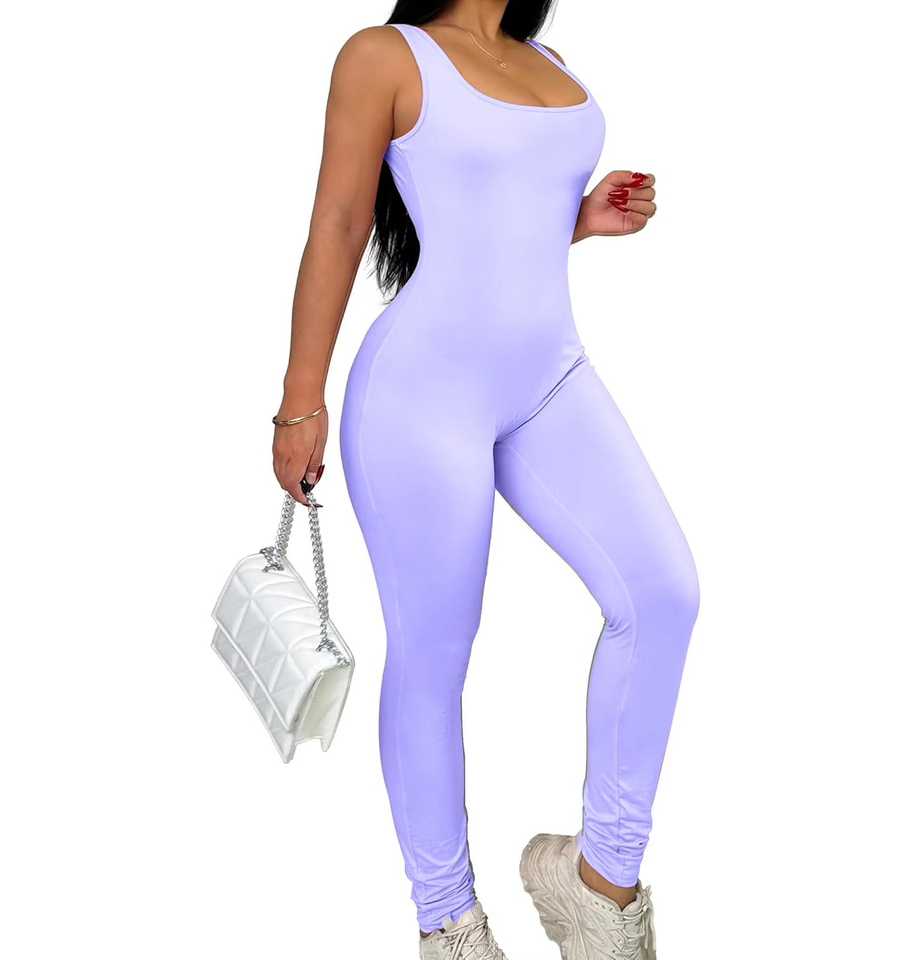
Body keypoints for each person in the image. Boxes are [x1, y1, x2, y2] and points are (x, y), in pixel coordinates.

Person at [271, 2, 699, 957]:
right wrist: (301, 400)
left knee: (663, 593)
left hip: (548, 378)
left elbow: (499, 219)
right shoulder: (385, 56)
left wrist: (579, 220)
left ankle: (600, 886)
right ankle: (449, 924)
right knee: (436, 652)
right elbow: (339, 222)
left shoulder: (546, 57)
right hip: (421, 394)